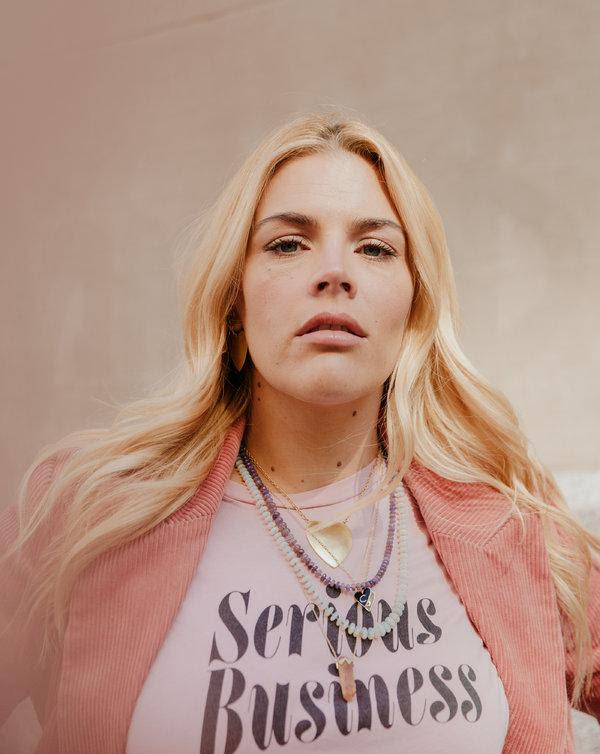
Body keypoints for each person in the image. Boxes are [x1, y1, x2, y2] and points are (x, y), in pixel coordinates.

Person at [1, 111, 598, 754]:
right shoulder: (86, 509)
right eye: (288, 244)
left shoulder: (510, 515)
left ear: (413, 307)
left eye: (375, 248)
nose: (335, 272)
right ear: (234, 302)